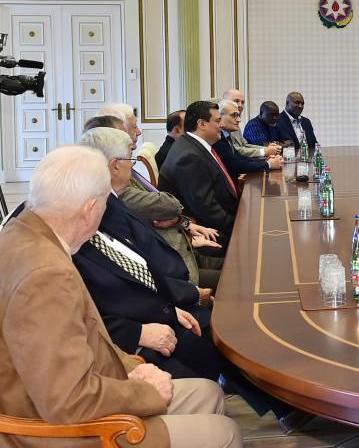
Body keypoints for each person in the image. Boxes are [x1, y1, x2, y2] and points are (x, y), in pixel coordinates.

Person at [0, 145, 241, 448]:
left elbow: (85, 338)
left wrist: (132, 366)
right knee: (226, 432)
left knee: (209, 393)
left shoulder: (22, 231)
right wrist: (145, 391)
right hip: (58, 431)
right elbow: (69, 401)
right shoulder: (46, 276)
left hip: (85, 388)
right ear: (90, 209)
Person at [79, 128, 213, 306]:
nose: (133, 165)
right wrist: (193, 294)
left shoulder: (112, 199)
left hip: (175, 276)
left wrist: (181, 222)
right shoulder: (106, 207)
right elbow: (138, 273)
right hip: (170, 294)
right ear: (115, 166)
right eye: (130, 158)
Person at [159, 101, 239, 241]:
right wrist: (237, 226)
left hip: (223, 215)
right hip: (206, 230)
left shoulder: (191, 144)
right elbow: (206, 208)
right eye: (218, 121)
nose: (222, 125)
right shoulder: (189, 156)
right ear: (202, 124)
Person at [215, 99, 282, 175]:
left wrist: (265, 161)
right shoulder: (217, 139)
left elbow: (239, 157)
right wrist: (268, 164)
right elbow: (235, 164)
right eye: (234, 115)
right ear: (219, 116)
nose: (239, 120)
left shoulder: (228, 132)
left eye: (238, 115)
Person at [221, 89, 282, 159]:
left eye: (242, 102)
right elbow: (236, 151)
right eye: (236, 101)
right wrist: (265, 151)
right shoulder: (221, 128)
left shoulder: (235, 123)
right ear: (224, 102)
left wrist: (267, 149)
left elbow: (244, 145)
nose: (240, 105)